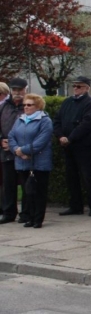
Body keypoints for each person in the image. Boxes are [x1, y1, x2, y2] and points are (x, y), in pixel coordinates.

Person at [53, 75, 91, 216]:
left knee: (87, 175)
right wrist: (60, 136)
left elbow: (87, 123)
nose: (75, 88)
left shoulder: (90, 103)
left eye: (79, 86)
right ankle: (75, 205)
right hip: (67, 145)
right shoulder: (67, 102)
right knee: (71, 176)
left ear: (87, 88)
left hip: (83, 145)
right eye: (74, 86)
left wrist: (71, 138)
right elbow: (57, 120)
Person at [8, 94, 53, 229]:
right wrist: (16, 150)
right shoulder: (20, 119)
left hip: (39, 163)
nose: (26, 107)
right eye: (24, 105)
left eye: (29, 105)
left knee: (39, 192)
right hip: (22, 162)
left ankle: (38, 219)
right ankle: (29, 217)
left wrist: (24, 150)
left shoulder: (45, 121)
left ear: (38, 106)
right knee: (28, 192)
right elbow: (11, 136)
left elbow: (41, 141)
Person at [0, 78, 26, 223]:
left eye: (20, 90)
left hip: (23, 151)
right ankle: (8, 213)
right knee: (8, 183)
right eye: (14, 90)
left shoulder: (29, 105)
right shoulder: (3, 107)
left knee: (26, 183)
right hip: (6, 152)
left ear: (25, 90)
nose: (17, 93)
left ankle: (26, 213)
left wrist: (16, 145)